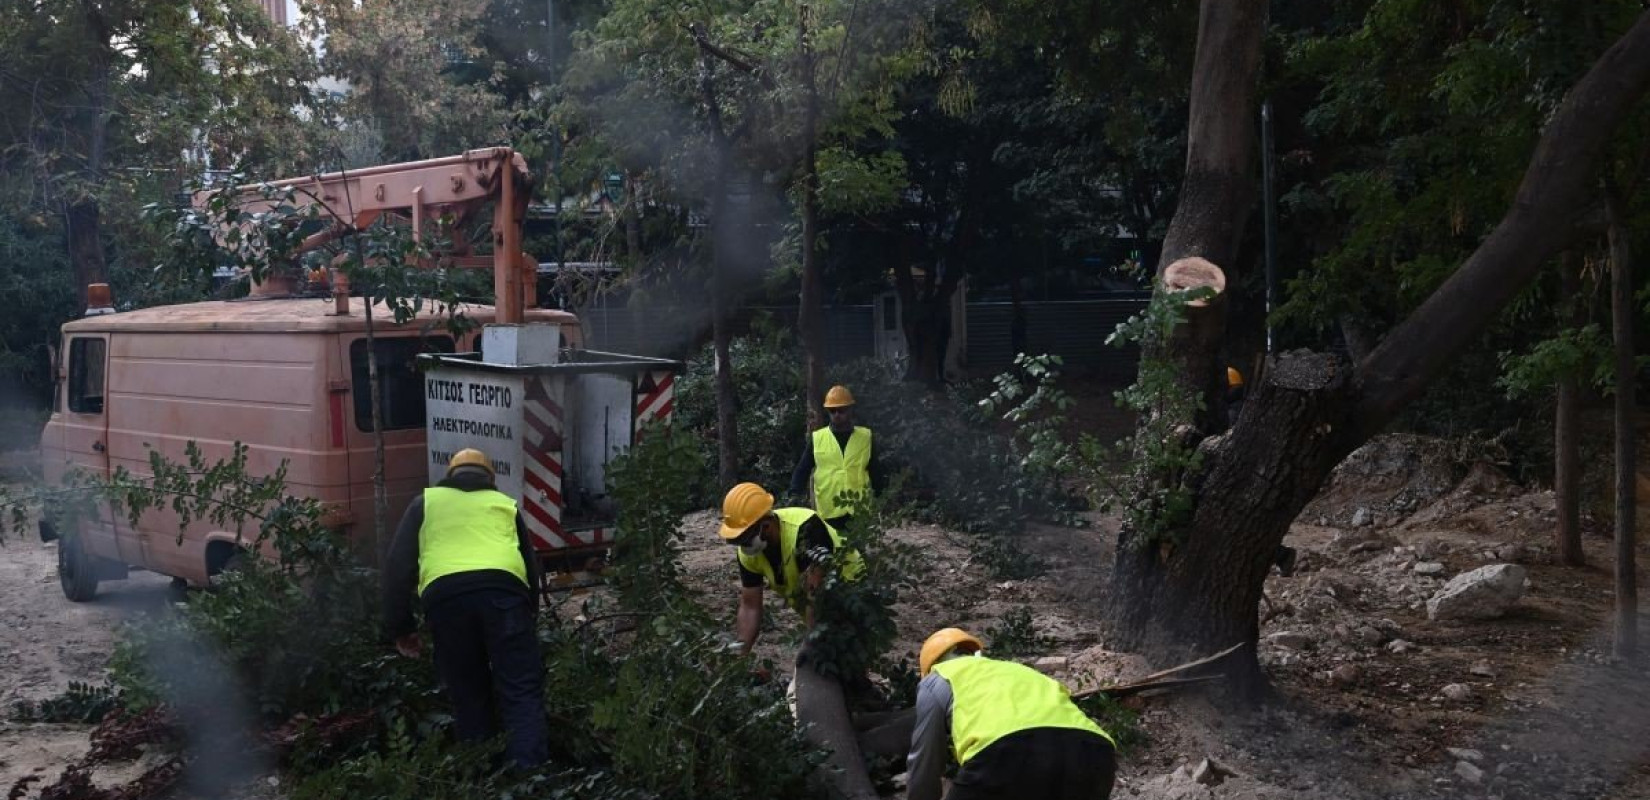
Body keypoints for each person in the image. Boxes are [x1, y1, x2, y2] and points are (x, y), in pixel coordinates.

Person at [382, 448, 548, 769]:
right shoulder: (504, 506)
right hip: (505, 597)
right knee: (520, 690)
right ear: (490, 480)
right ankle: (530, 780)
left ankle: (481, 776)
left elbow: (395, 569)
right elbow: (531, 570)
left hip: (446, 602)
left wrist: (401, 629)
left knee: (468, 692)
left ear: (450, 477)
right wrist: (528, 620)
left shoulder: (425, 504)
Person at [907, 628, 1117, 800]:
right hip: (1093, 753)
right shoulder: (1017, 670)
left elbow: (926, 760)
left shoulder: (937, 679)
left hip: (1007, 754)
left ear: (931, 666)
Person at [717, 481, 863, 655]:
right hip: (814, 601)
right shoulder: (749, 555)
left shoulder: (806, 529)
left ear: (766, 525)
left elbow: (816, 594)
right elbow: (750, 606)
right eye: (737, 541)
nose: (743, 546)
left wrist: (810, 644)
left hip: (851, 584)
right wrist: (740, 652)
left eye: (745, 539)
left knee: (846, 653)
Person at [1227, 367, 1298, 577]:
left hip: (1241, 477)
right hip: (1256, 475)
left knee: (1239, 527)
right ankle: (1279, 555)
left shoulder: (1232, 414)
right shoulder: (1246, 409)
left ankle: (1279, 555)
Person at [788, 384, 883, 530]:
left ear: (850, 410)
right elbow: (803, 468)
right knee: (832, 550)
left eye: (841, 410)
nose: (837, 414)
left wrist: (881, 496)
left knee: (857, 551)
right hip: (829, 508)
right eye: (832, 411)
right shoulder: (818, 438)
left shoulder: (865, 437)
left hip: (858, 508)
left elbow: (875, 469)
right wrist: (795, 492)